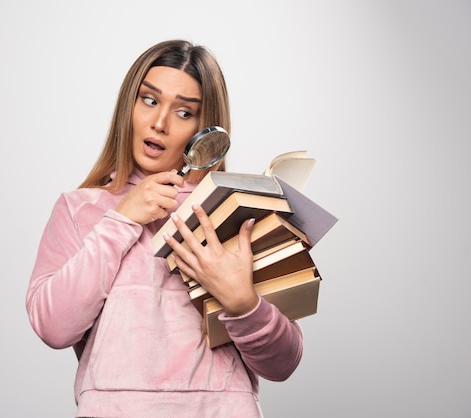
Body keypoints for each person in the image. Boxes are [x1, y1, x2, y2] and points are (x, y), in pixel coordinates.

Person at [26, 39, 303, 418]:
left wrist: (243, 303)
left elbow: (283, 364)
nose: (159, 122)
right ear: (129, 105)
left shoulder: (235, 211)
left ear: (205, 129)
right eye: (150, 100)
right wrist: (122, 219)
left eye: (184, 112)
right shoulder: (79, 210)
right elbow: (54, 327)